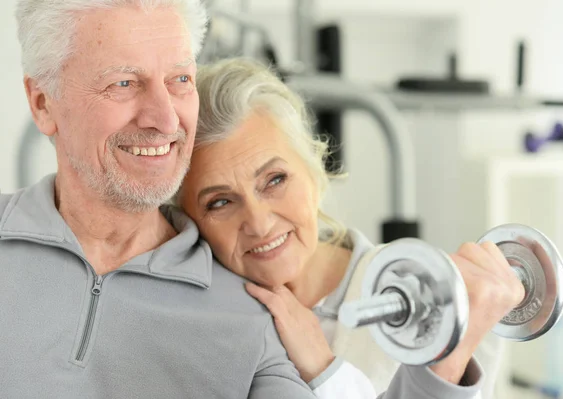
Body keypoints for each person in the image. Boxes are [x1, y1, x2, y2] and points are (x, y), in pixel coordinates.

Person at [3, 1, 324, 397]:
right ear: (43, 103)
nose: (167, 120)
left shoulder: (252, 314)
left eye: (180, 79)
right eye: (123, 83)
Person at [177, 57, 526, 398]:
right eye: (219, 202)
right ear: (186, 223)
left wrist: (322, 367)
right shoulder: (199, 326)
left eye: (275, 180)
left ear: (314, 171)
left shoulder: (438, 304)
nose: (258, 222)